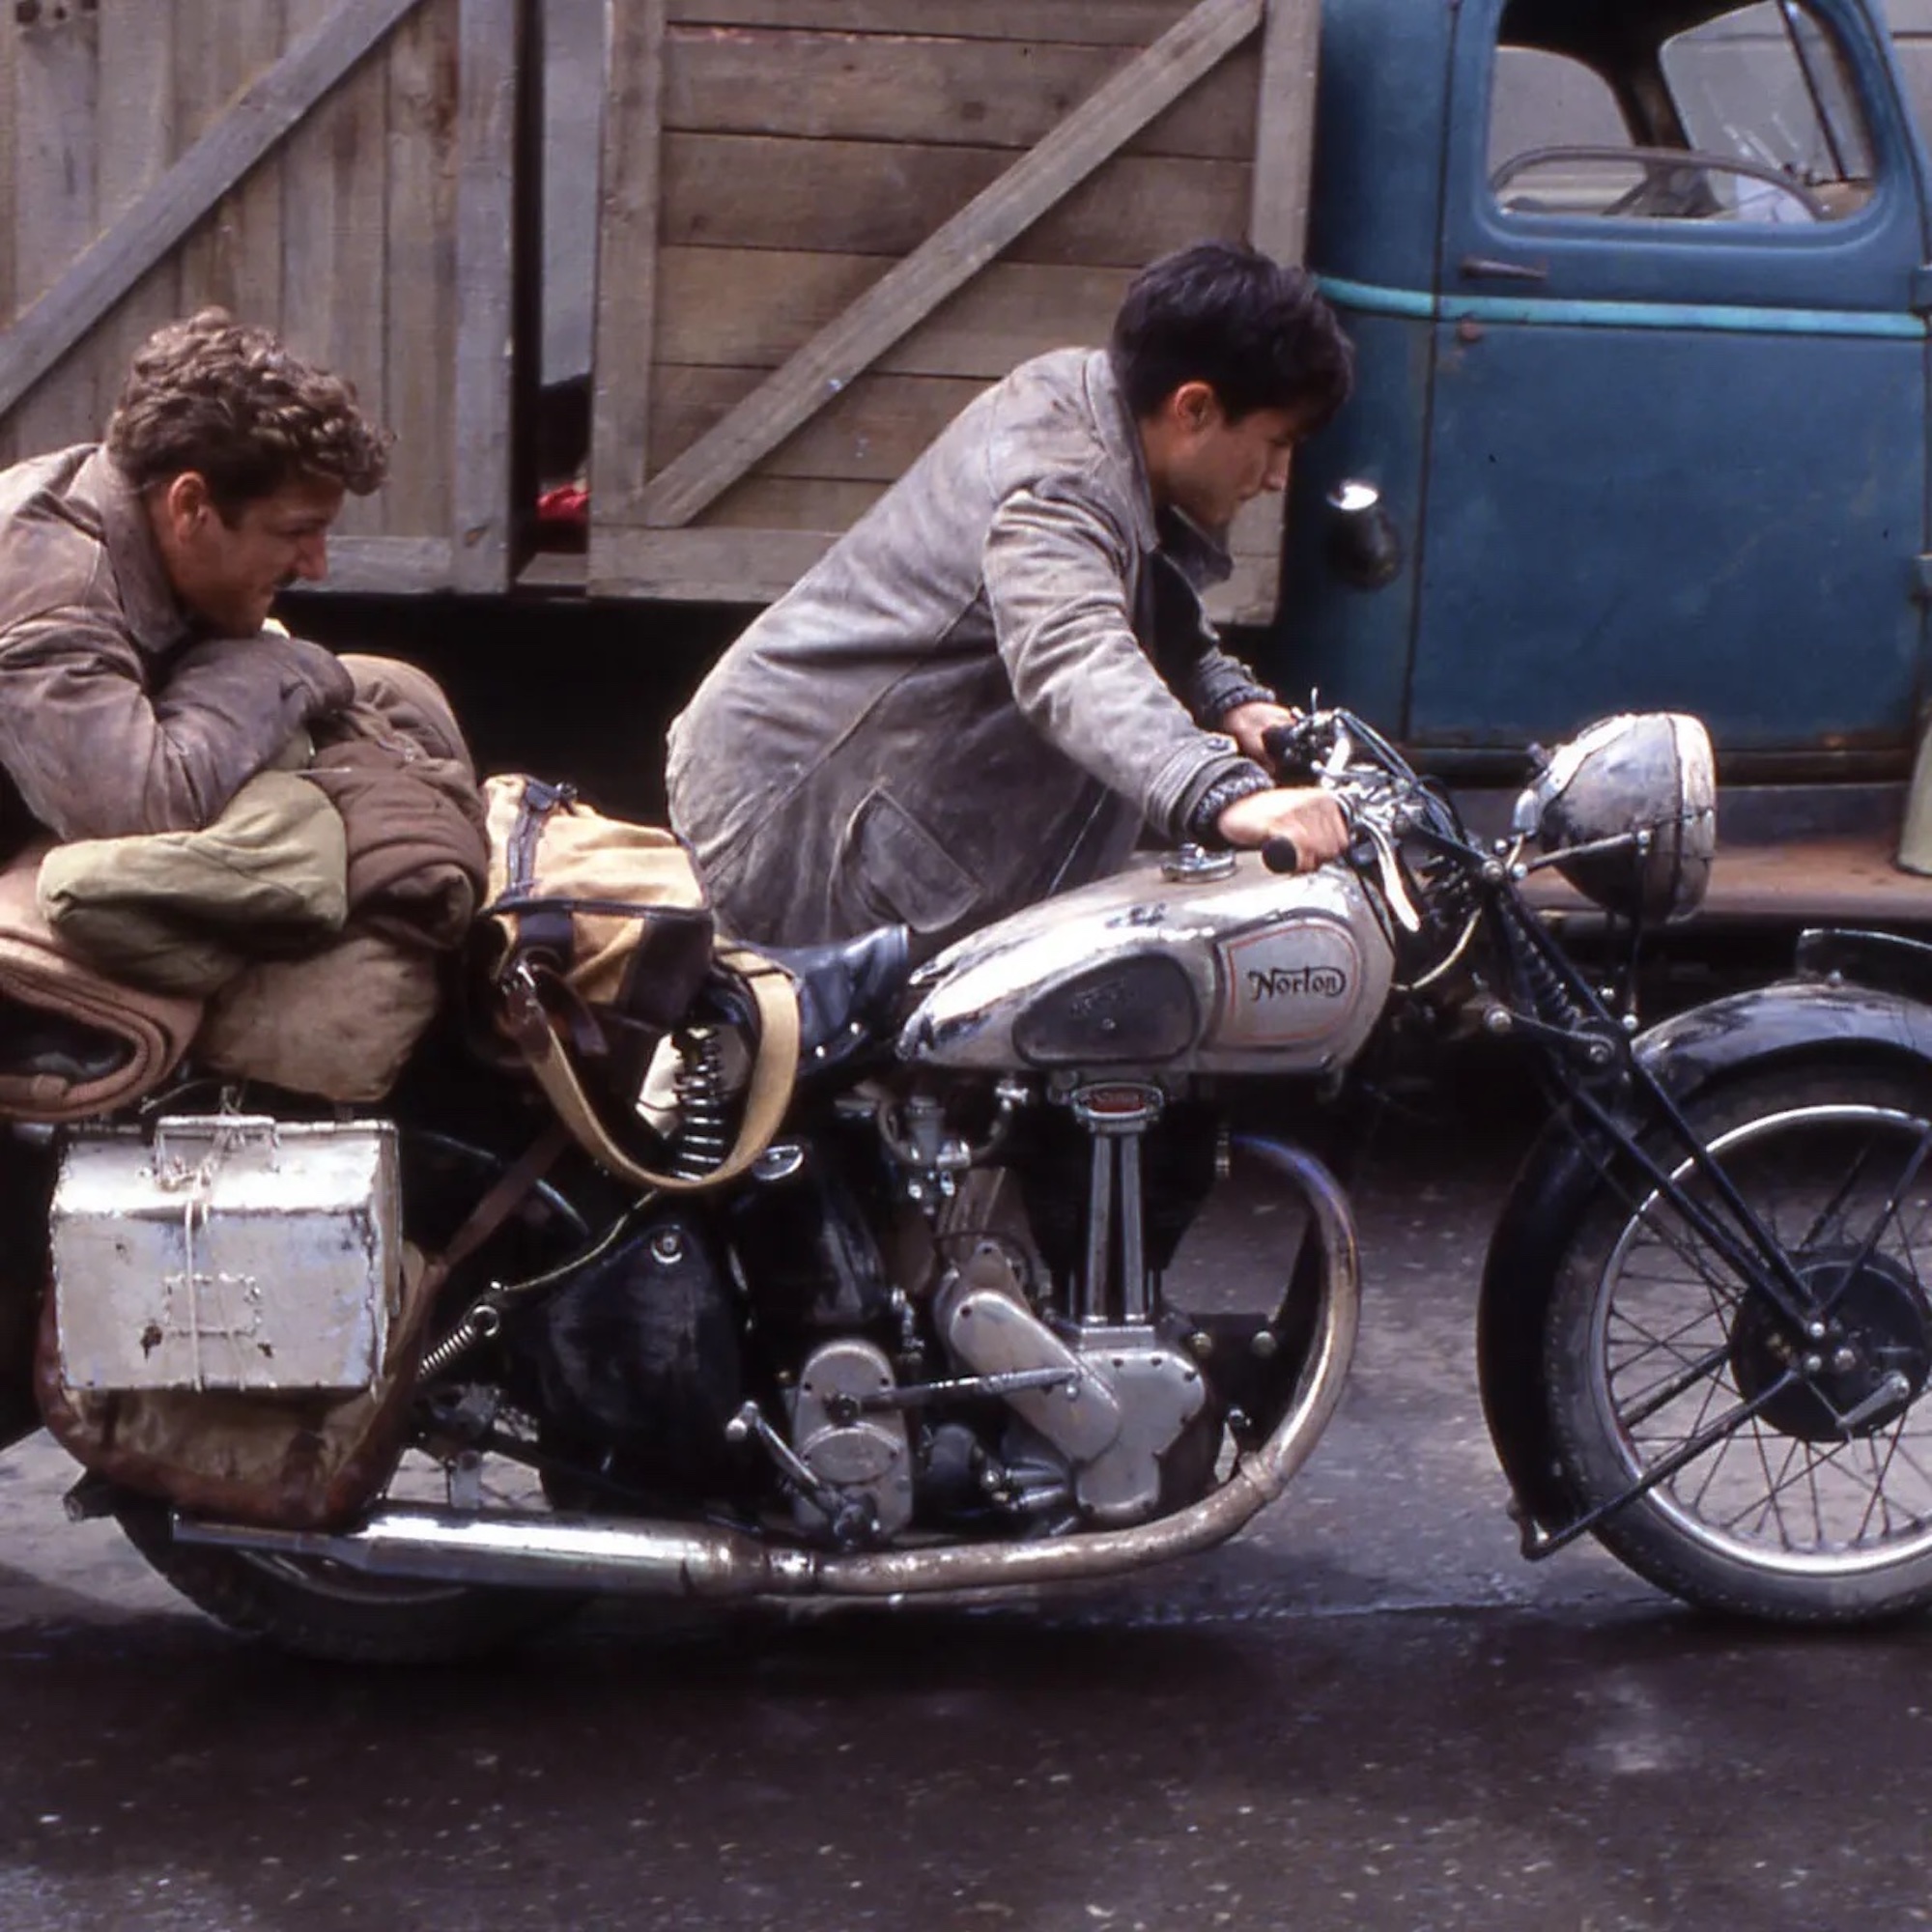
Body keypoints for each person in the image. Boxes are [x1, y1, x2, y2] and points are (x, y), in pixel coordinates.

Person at [667, 241, 1357, 956]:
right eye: (1276, 443)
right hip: (793, 814)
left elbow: (1129, 579)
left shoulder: (1087, 397)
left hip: (821, 780)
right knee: (825, 1049)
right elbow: (1070, 651)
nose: (1279, 477)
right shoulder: (1061, 484)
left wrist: (1219, 695)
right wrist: (1225, 792)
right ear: (1194, 408)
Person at [0, 308, 390, 858]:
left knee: (393, 689)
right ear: (190, 506)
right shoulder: (58, 591)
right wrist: (276, 663)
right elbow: (146, 809)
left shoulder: (127, 510)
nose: (315, 567)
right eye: (298, 531)